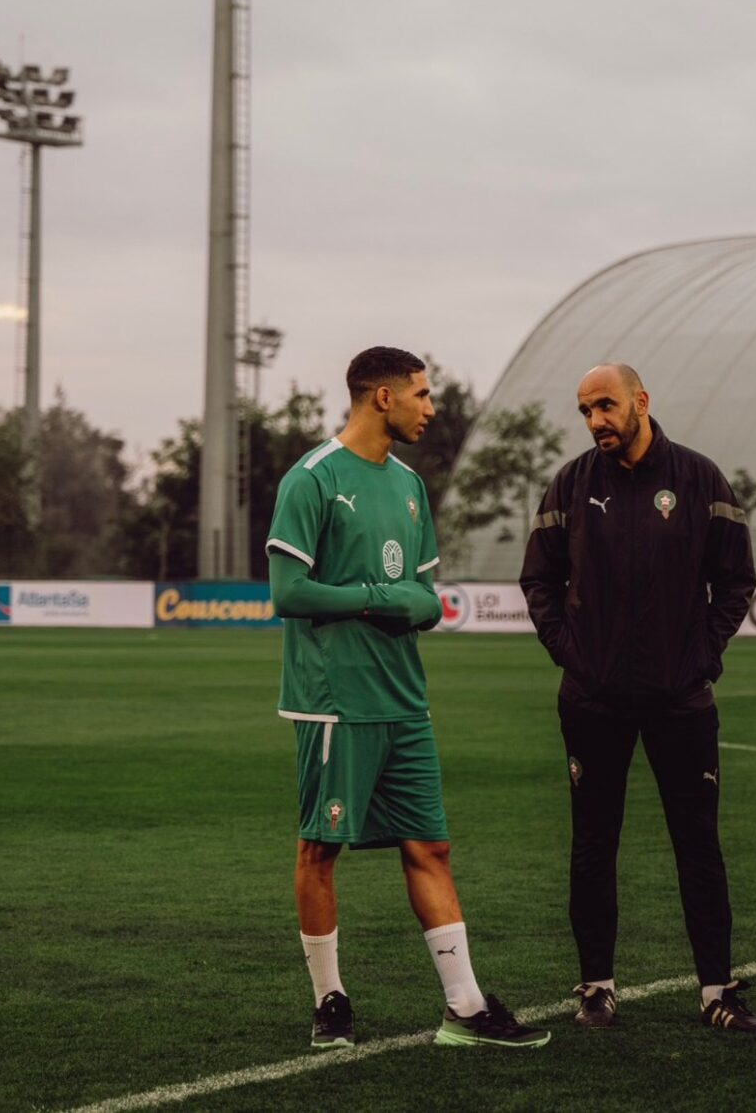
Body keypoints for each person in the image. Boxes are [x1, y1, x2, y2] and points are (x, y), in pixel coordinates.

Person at [266, 346, 550, 1052]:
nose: (432, 407)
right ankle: (330, 1001)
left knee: (430, 845)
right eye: (422, 394)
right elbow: (288, 592)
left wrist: (408, 603)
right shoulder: (312, 478)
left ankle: (465, 1007)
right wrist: (376, 598)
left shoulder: (411, 485)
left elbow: (426, 599)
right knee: (321, 847)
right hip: (335, 701)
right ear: (382, 397)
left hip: (404, 698)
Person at [519, 362, 756, 1037]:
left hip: (680, 698)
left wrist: (702, 656)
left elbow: (736, 579)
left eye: (605, 405)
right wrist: (570, 651)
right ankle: (596, 987)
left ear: (640, 401)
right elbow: (538, 579)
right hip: (592, 698)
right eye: (585, 410)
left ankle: (717, 990)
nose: (595, 420)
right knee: (593, 844)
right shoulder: (571, 483)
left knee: (699, 845)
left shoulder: (698, 478)